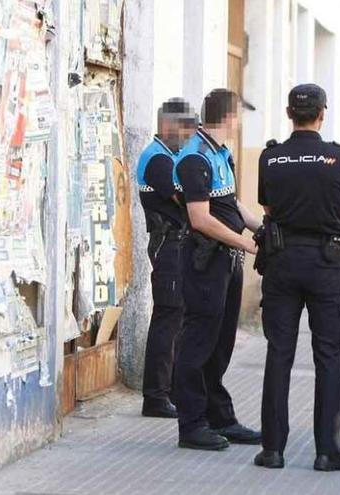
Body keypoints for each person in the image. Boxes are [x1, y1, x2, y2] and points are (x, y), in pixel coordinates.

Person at [253, 84, 340, 472]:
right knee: (328, 357)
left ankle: (272, 450)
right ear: (323, 113)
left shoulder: (270, 158)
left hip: (281, 261)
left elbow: (267, 205)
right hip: (326, 263)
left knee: (278, 354)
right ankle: (326, 452)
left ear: (289, 113)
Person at [172, 89, 263, 451]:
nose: (240, 124)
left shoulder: (219, 154)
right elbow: (200, 219)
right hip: (204, 262)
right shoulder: (195, 156)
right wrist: (244, 244)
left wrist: (263, 229)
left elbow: (231, 204)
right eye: (239, 116)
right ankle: (191, 425)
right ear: (228, 117)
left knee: (221, 343)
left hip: (226, 263)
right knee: (198, 344)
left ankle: (220, 418)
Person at [137, 98, 196, 418]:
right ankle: (155, 397)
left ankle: (169, 391)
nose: (189, 134)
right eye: (184, 126)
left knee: (177, 318)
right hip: (168, 245)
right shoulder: (158, 159)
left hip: (177, 245)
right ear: (167, 125)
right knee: (168, 317)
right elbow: (186, 198)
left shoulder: (170, 156)